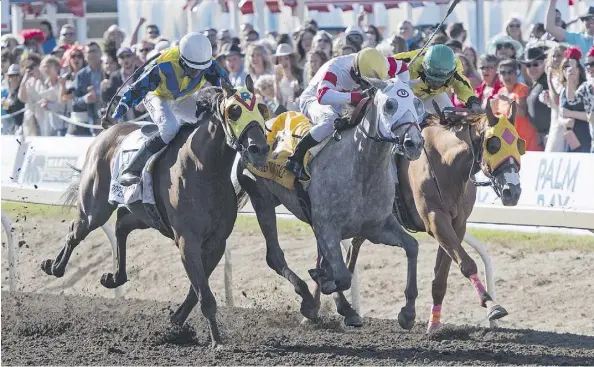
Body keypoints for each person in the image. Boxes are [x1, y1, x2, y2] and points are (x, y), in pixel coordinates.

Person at [109, 32, 228, 186]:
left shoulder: (209, 64)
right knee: (170, 128)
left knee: (208, 120)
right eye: (192, 68)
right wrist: (117, 115)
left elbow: (226, 88)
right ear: (182, 60)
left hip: (183, 97)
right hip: (156, 96)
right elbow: (137, 90)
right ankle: (132, 169)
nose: (197, 73)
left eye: (200, 69)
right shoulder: (163, 65)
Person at [285, 47, 409, 179]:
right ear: (355, 72)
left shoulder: (379, 63)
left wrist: (403, 87)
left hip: (344, 99)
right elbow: (323, 96)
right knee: (330, 120)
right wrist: (355, 96)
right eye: (365, 82)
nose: (367, 85)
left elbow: (403, 68)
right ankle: (295, 159)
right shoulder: (336, 68)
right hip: (314, 99)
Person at [393, 44, 482, 115]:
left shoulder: (454, 69)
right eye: (431, 80)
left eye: (440, 81)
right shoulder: (413, 60)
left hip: (430, 96)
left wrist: (473, 102)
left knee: (449, 115)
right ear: (424, 67)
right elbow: (385, 64)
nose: (435, 85)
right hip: (405, 96)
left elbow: (462, 87)